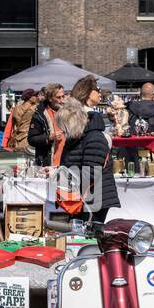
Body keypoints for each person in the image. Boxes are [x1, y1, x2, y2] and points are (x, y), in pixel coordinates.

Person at [56, 75, 119, 223]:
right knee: (84, 233)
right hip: (88, 196)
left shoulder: (89, 134)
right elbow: (83, 166)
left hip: (91, 197)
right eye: (97, 90)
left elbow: (90, 170)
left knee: (87, 232)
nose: (100, 93)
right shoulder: (86, 133)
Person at [28, 83, 64, 167]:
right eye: (58, 97)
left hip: (66, 163)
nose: (62, 100)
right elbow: (31, 139)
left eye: (63, 96)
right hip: (48, 163)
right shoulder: (40, 114)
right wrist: (49, 137)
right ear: (50, 99)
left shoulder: (69, 112)